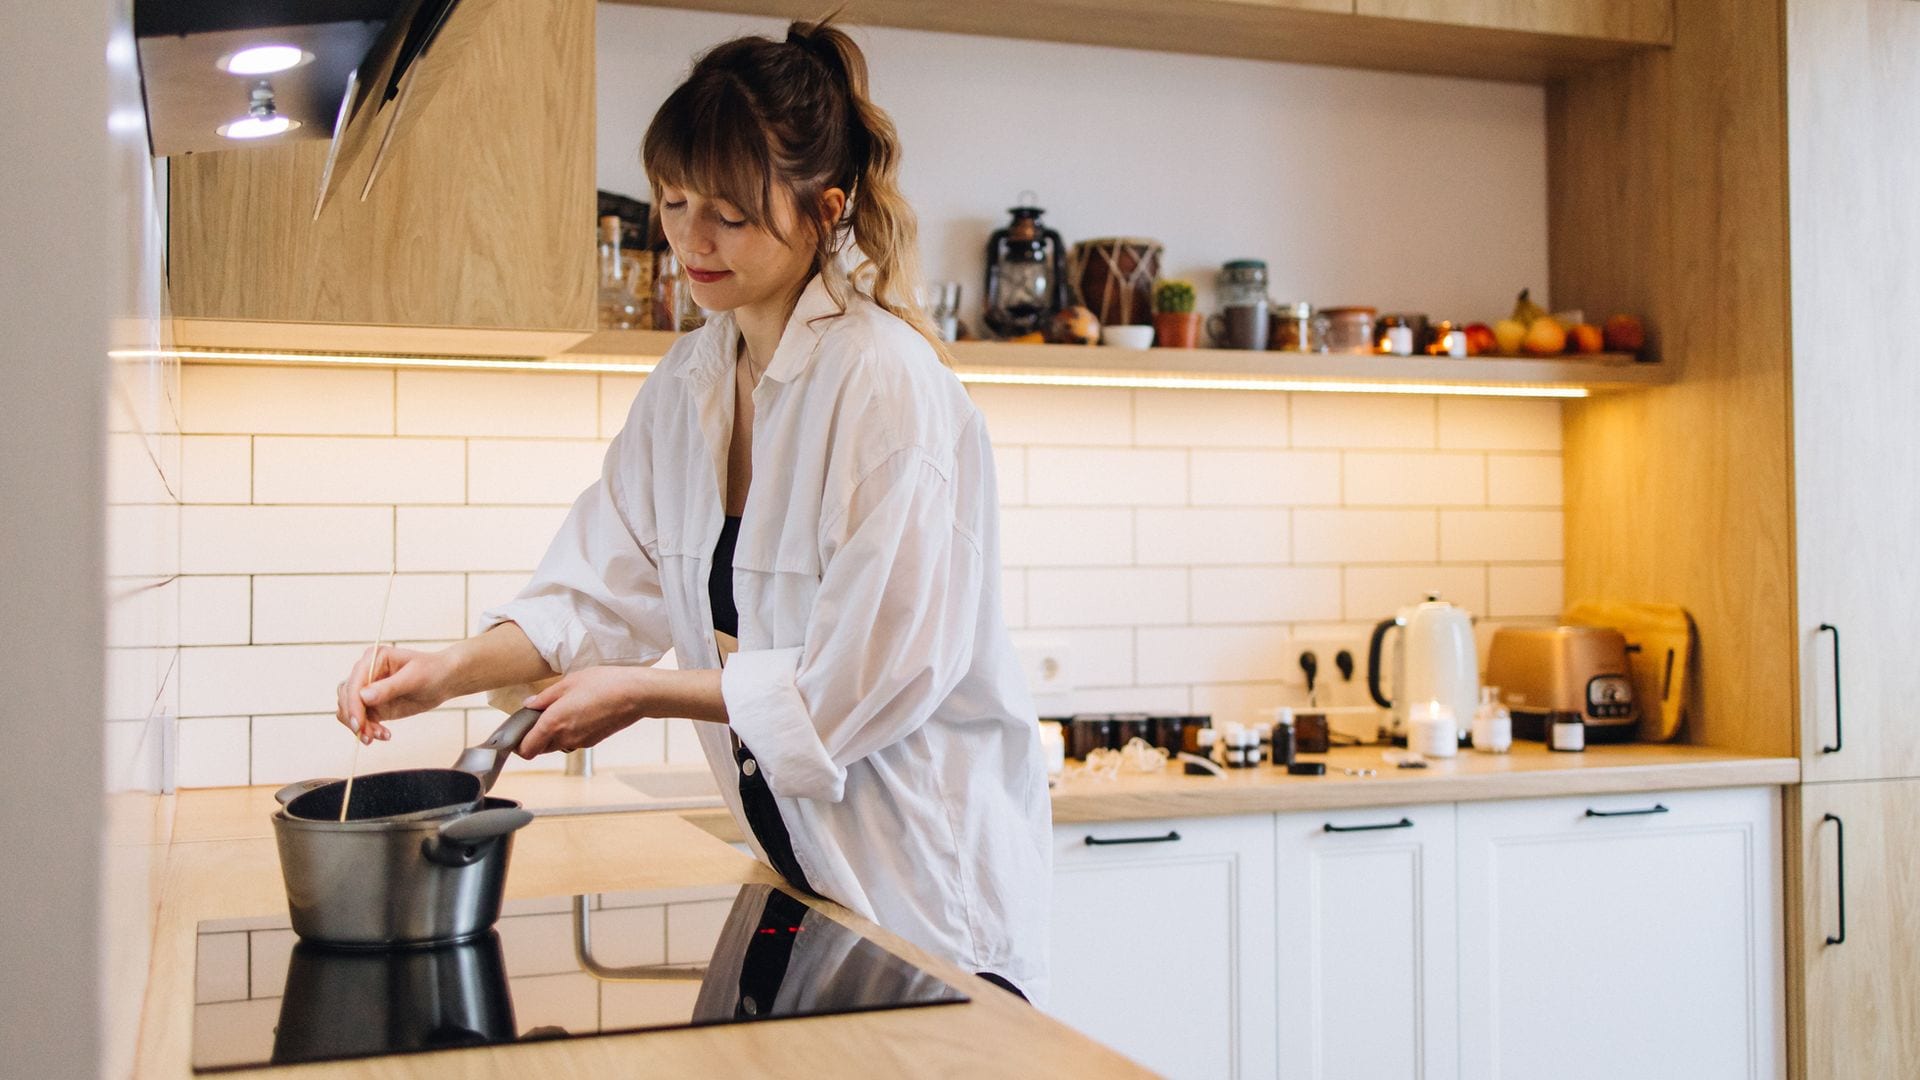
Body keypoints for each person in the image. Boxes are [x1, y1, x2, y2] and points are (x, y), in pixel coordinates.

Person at [334, 19, 1051, 1002]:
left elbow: (862, 686)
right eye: (674, 201)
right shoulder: (692, 381)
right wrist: (452, 668)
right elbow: (593, 594)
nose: (690, 240)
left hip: (928, 917)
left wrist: (640, 694)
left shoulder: (886, 386)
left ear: (823, 210)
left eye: (730, 214)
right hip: (812, 893)